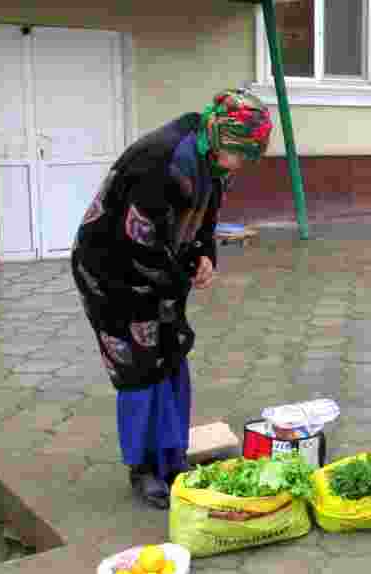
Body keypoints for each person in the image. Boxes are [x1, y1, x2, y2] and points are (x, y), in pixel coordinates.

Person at [71, 89, 272, 508]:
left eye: (250, 157)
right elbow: (136, 241)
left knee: (171, 352)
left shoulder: (212, 154)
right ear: (221, 137)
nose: (242, 166)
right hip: (112, 274)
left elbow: (208, 212)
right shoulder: (159, 162)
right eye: (241, 156)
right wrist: (180, 279)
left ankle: (172, 457)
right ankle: (142, 468)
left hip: (162, 267)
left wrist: (204, 253)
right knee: (138, 368)